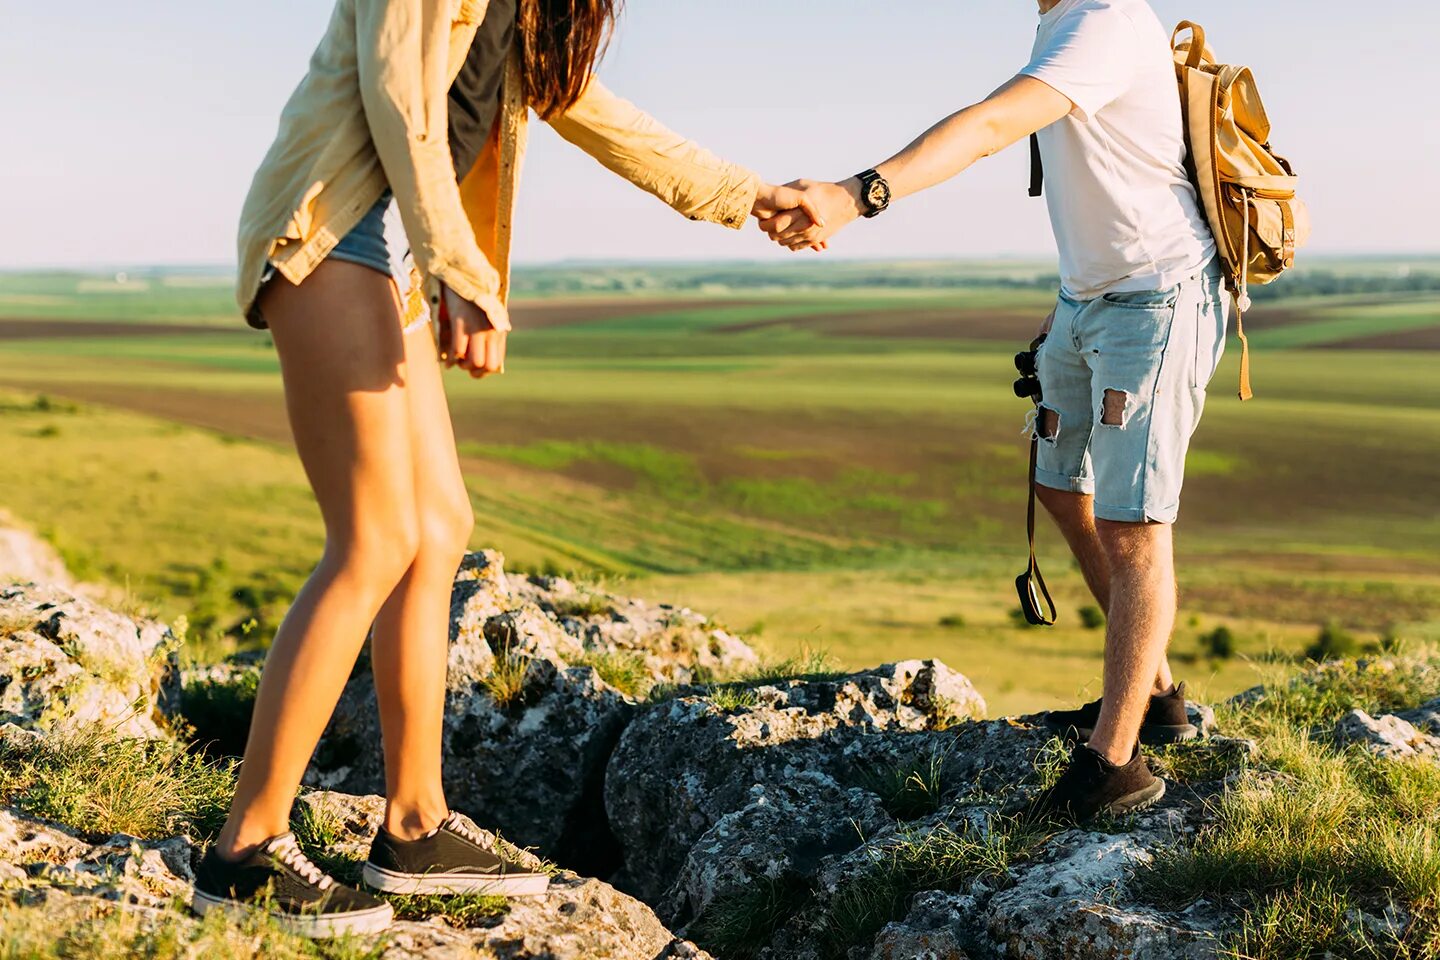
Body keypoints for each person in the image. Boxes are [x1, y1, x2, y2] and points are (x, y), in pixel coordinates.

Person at [192, 0, 818, 937]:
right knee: (374, 539)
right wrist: (462, 269)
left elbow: (604, 118)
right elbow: (398, 93)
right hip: (329, 232)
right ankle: (244, 850)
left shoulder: (527, 16)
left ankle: (413, 826)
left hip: (392, 262)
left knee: (438, 529)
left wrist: (748, 195)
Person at [760, 0, 1223, 824]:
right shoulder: (1060, 24)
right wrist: (1069, 309)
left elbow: (987, 126)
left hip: (1157, 301)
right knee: (1060, 489)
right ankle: (1156, 700)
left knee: (1134, 527)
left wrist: (855, 193)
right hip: (1088, 302)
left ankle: (1115, 764)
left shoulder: (1106, 18)